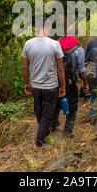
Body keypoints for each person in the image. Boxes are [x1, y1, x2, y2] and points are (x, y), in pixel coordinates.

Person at [22, 18, 66, 150]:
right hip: (50, 86)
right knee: (47, 114)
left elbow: (25, 67)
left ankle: (44, 136)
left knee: (39, 111)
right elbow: (60, 69)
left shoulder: (28, 44)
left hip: (35, 85)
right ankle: (39, 143)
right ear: (47, 28)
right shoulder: (55, 44)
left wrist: (26, 83)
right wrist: (62, 86)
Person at [51, 28, 89, 138]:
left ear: (66, 34)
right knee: (72, 106)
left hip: (54, 79)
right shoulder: (79, 50)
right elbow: (81, 70)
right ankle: (67, 131)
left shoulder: (56, 45)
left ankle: (52, 124)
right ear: (77, 36)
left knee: (55, 101)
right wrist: (85, 83)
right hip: (70, 81)